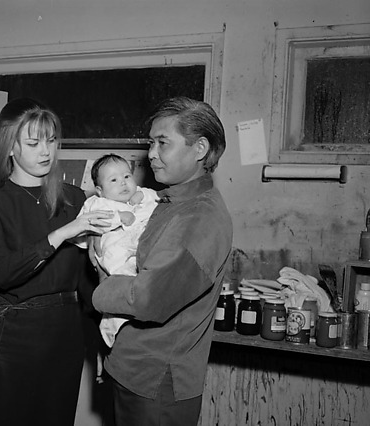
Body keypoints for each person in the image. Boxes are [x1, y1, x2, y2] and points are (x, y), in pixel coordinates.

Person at [0, 98, 111, 426]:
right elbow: (4, 273)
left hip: (65, 333)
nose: (45, 151)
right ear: (9, 147)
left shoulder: (73, 199)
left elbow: (86, 278)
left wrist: (105, 336)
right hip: (14, 334)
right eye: (33, 142)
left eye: (50, 140)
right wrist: (64, 232)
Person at [91, 96, 233, 426]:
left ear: (199, 149)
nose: (151, 154)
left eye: (163, 143)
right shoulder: (172, 201)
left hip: (156, 381)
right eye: (151, 142)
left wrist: (100, 289)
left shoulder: (200, 218)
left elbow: (149, 298)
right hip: (136, 369)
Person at [75, 153, 158, 347]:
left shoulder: (143, 195)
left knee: (140, 289)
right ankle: (112, 326)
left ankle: (129, 321)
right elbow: (86, 223)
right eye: (114, 180)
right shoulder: (97, 203)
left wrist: (142, 195)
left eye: (127, 176)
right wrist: (119, 217)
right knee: (119, 289)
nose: (123, 183)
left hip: (139, 252)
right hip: (115, 253)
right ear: (100, 190)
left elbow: (157, 200)